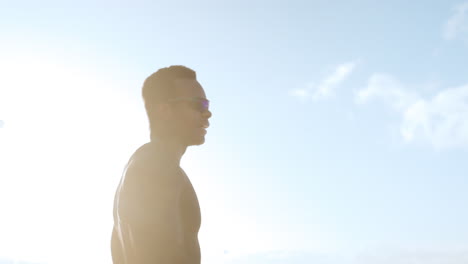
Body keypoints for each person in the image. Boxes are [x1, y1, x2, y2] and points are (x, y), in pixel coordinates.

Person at [111, 65, 212, 264]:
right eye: (198, 105)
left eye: (207, 105)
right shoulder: (157, 166)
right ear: (165, 110)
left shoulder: (143, 164)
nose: (207, 114)